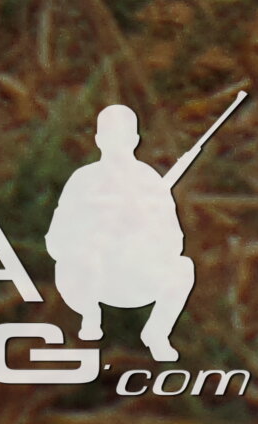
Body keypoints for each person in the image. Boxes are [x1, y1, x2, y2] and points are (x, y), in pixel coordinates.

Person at [45, 101, 199, 362]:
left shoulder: (150, 181)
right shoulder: (83, 181)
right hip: (89, 279)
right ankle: (90, 318)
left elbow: (175, 242)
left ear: (135, 139)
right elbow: (56, 240)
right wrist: (93, 233)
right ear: (98, 139)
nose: (117, 143)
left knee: (183, 269)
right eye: (110, 136)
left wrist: (145, 226)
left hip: (136, 274)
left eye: (123, 136)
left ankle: (157, 333)